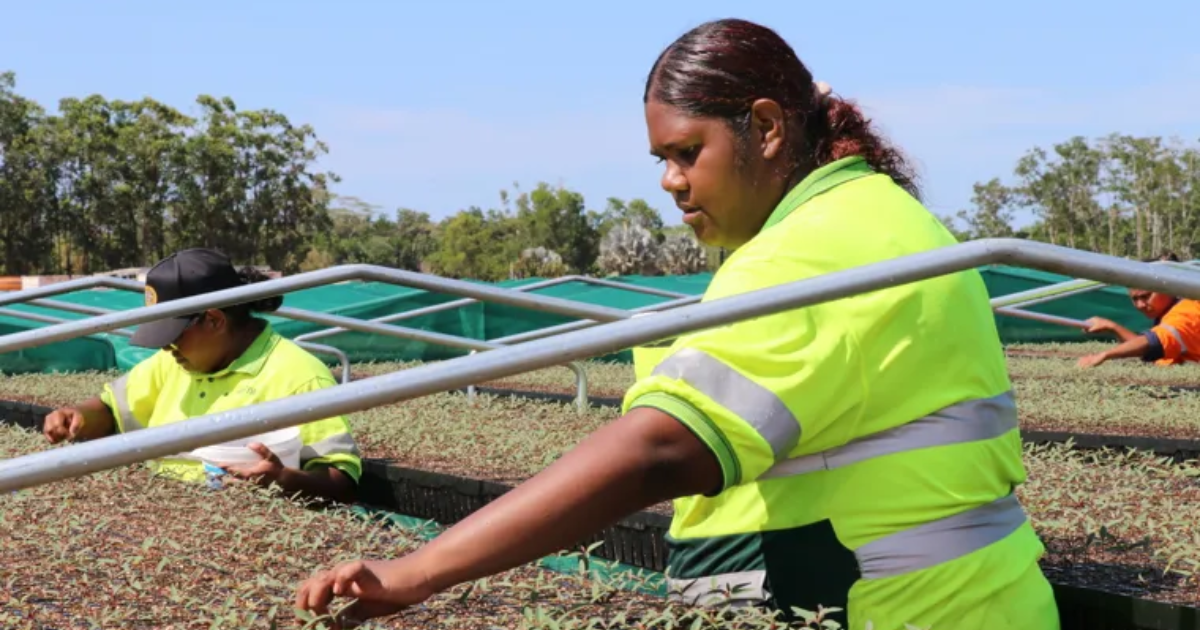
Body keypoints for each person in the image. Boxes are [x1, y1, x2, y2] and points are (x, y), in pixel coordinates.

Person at [295, 18, 1059, 630]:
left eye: (688, 152)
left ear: (765, 128)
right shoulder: (862, 219)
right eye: (661, 158)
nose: (670, 182)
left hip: (905, 610)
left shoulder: (825, 247)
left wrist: (416, 572)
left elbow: (661, 449)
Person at [42, 247, 361, 505]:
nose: (166, 347)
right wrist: (78, 415)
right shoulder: (171, 362)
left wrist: (283, 479)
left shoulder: (300, 376)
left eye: (174, 334)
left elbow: (341, 481)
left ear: (214, 320)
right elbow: (110, 409)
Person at [1078, 252, 1200, 368]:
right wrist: (1112, 327)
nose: (1140, 305)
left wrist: (1105, 355)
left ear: (1169, 288)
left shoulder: (1186, 311)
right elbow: (1146, 347)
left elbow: (1152, 342)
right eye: (1135, 299)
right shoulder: (1168, 313)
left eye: (1146, 296)